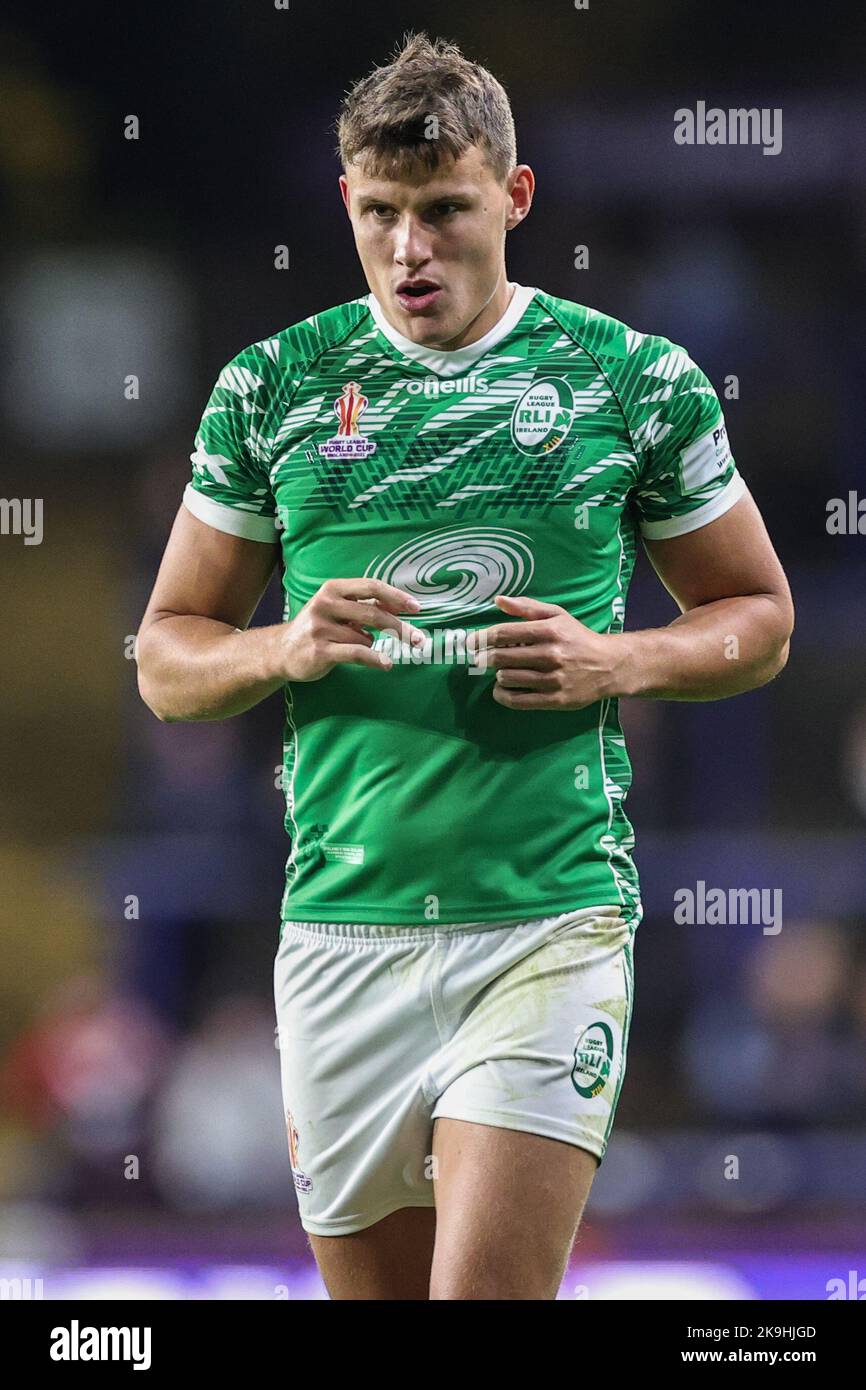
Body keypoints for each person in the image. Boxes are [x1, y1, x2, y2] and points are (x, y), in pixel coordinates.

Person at [136, 32, 794, 1300]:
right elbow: (168, 659)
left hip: (545, 924)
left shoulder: (632, 382)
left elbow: (756, 613)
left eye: (442, 210)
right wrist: (284, 643)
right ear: (344, 201)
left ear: (514, 194)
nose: (406, 248)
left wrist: (620, 659)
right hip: (339, 934)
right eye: (378, 213)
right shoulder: (271, 390)